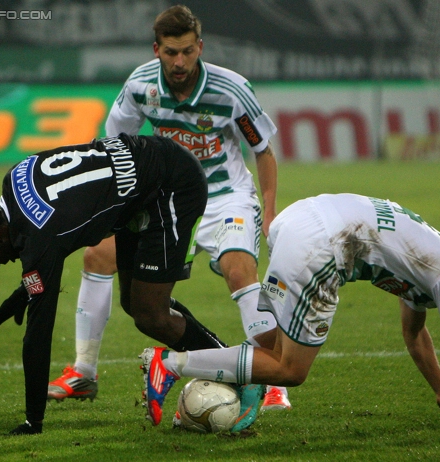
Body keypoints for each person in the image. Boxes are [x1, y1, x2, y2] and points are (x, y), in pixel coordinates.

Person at [47, 5, 289, 412]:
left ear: (200, 47)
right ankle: (83, 372)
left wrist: (270, 210)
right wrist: (111, 211)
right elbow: (114, 147)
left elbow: (263, 151)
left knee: (238, 270)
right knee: (97, 254)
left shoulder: (230, 90)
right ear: (156, 49)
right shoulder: (141, 85)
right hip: (168, 196)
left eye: (188, 52)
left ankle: (274, 376)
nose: (180, 62)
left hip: (226, 195)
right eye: (171, 53)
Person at [139, 193, 440, 433]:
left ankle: (219, 391)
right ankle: (171, 364)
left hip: (298, 221)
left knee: (272, 345)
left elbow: (415, 337)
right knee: (291, 369)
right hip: (325, 249)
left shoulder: (429, 257)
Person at [0, 134, 235, 435]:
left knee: (152, 314)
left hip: (172, 184)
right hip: (140, 175)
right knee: (134, 303)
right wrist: (25, 292)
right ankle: (229, 362)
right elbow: (63, 213)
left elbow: (37, 336)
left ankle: (238, 369)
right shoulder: (14, 177)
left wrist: (33, 420)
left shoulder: (38, 237)